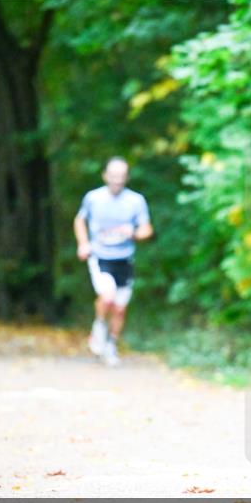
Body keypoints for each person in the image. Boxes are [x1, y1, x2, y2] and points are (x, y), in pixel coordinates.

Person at [73, 157, 153, 366]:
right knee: (107, 297)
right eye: (113, 175)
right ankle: (99, 327)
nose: (117, 180)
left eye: (121, 176)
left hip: (124, 259)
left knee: (119, 308)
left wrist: (134, 233)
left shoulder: (136, 201)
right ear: (105, 176)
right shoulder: (93, 198)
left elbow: (147, 230)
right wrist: (83, 243)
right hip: (100, 256)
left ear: (126, 177)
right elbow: (80, 219)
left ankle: (111, 344)